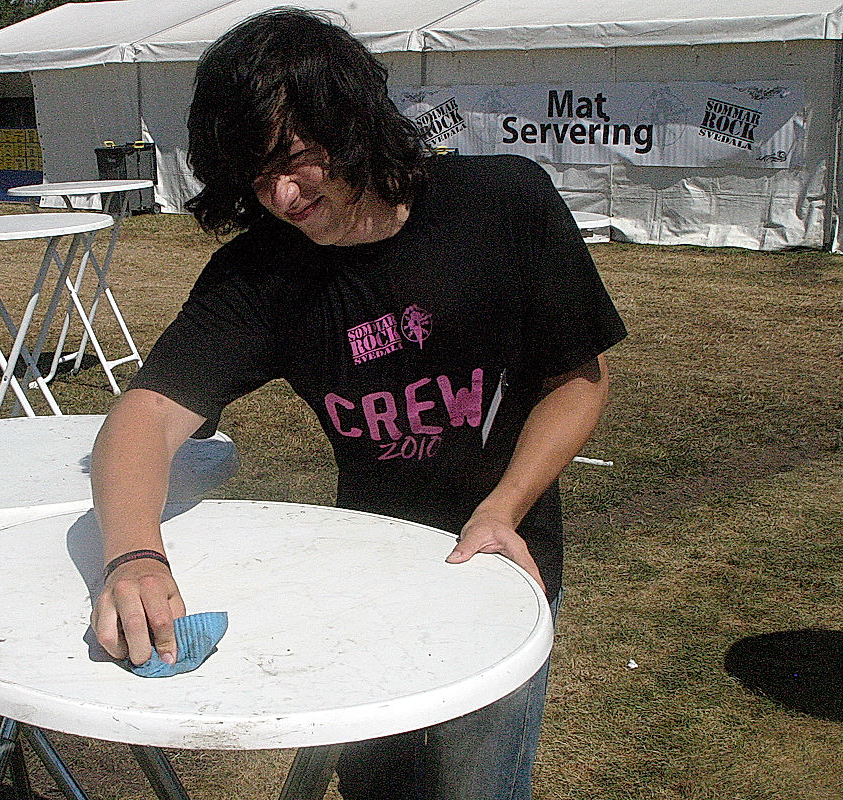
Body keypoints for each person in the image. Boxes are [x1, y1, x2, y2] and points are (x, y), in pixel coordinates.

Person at [90, 8, 627, 800]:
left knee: (479, 787)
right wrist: (134, 555)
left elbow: (578, 380)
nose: (281, 195)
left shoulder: (503, 204)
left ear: (351, 117)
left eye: (293, 159)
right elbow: (141, 418)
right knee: (377, 786)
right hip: (366, 580)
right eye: (256, 177)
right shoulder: (262, 276)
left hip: (501, 572)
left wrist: (502, 507)